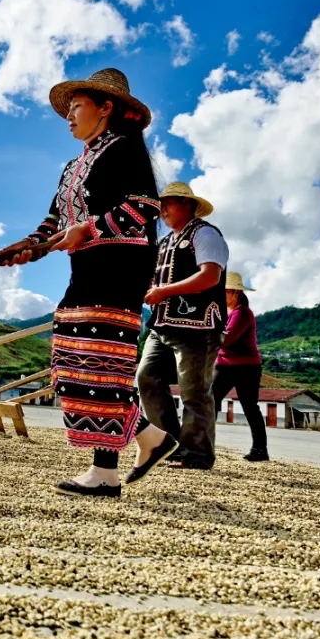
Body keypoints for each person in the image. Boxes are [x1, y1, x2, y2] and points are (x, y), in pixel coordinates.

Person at [0, 67, 178, 498]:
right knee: (72, 357)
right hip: (87, 270)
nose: (69, 116)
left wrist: (90, 229)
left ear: (106, 108)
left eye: (77, 106)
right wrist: (29, 245)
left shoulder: (125, 151)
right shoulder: (72, 166)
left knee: (101, 361)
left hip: (121, 268)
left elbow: (143, 208)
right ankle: (151, 438)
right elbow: (55, 220)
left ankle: (104, 473)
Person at [136, 182, 228, 470]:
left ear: (188, 204)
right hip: (162, 324)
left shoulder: (205, 234)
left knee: (194, 391)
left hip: (197, 326)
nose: (162, 209)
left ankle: (197, 454)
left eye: (169, 203)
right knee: (146, 377)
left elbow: (209, 276)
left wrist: (164, 292)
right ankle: (168, 444)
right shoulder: (166, 243)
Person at [211, 272, 268, 461]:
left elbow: (227, 339)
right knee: (210, 401)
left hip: (246, 367)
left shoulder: (243, 312)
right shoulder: (230, 313)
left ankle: (260, 449)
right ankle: (204, 443)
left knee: (249, 406)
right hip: (225, 365)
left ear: (235, 293)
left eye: (224, 292)